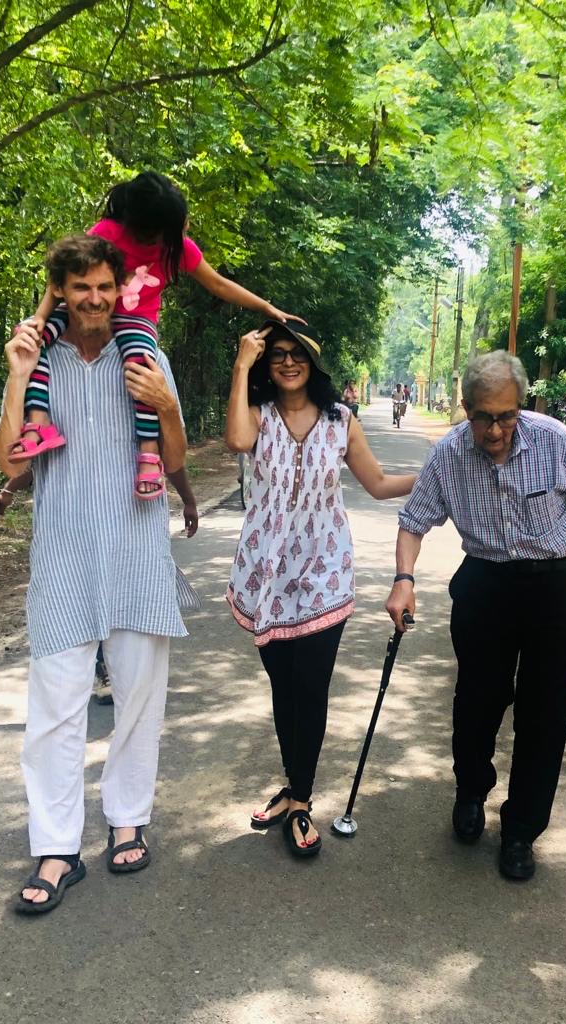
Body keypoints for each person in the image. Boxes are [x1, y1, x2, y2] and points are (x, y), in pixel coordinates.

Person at [0, 233, 198, 913]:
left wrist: (167, 406)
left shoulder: (143, 355)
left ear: (120, 290)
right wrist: (18, 373)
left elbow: (171, 458)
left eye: (104, 287)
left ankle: (127, 818)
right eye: (80, 288)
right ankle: (55, 847)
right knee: (54, 711)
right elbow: (12, 464)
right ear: (61, 290)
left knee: (140, 698)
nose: (93, 300)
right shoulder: (39, 359)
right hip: (62, 556)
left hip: (137, 551)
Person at [385, 350, 566, 881]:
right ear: (465, 408)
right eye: (482, 417)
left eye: (506, 416)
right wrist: (404, 580)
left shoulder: (558, 442)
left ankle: (520, 830)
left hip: (559, 585)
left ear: (521, 407)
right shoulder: (449, 453)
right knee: (477, 701)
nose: (495, 430)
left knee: (546, 711)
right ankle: (471, 792)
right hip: (488, 583)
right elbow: (413, 520)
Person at [225, 320, 415, 858]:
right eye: (277, 355)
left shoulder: (340, 420)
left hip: (324, 575)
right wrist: (242, 362)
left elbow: (377, 485)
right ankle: (293, 786)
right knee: (283, 689)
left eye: (298, 354)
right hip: (266, 577)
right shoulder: (258, 416)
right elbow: (236, 439)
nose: (287, 362)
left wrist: (438, 473)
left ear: (313, 362)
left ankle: (302, 800)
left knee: (311, 687)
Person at [10, 170, 301, 499]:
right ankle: (37, 422)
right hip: (91, 311)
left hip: (136, 321)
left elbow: (218, 283)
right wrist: (39, 319)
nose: (179, 232)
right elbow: (63, 275)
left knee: (142, 368)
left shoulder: (180, 249)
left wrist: (266, 307)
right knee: (32, 340)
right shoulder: (107, 233)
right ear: (146, 228)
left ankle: (148, 453)